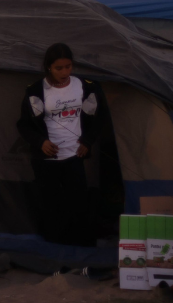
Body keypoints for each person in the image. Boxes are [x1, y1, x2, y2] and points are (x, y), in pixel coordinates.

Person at [16, 43, 114, 247]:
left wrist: (88, 141)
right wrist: (40, 142)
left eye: (68, 66)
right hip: (46, 159)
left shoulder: (86, 87)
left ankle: (81, 245)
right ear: (48, 67)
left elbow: (100, 117)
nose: (64, 72)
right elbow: (23, 125)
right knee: (51, 204)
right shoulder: (35, 90)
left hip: (74, 156)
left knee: (78, 202)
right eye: (58, 68)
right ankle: (54, 245)